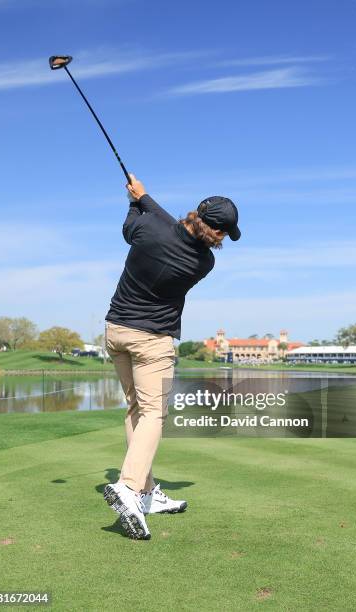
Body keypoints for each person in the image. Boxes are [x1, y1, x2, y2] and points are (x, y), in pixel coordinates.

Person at [103, 174, 241, 540]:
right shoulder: (204, 262)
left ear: (196, 213)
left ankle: (147, 493)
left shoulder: (146, 228)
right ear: (219, 234)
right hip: (152, 342)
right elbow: (172, 228)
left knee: (136, 408)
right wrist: (146, 198)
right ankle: (129, 488)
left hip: (116, 332)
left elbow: (148, 224)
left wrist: (138, 200)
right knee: (153, 414)